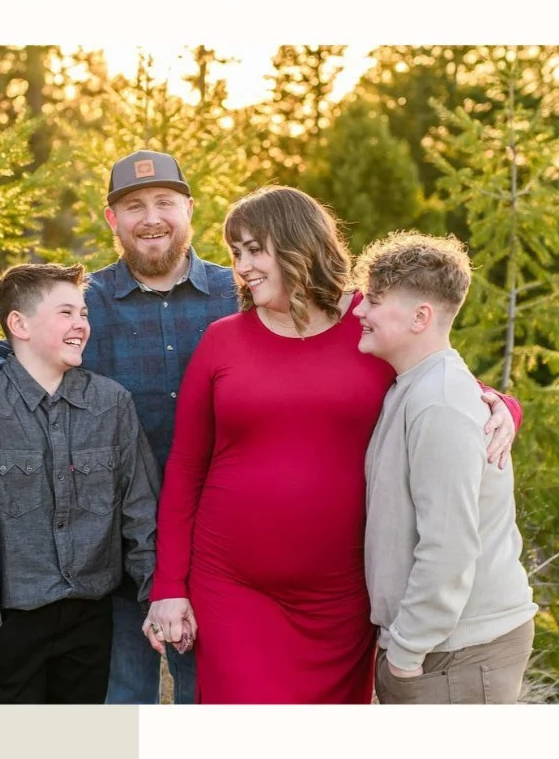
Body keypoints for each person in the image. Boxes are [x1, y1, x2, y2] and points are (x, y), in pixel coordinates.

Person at [143, 188, 523, 704]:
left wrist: (504, 407)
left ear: (297, 244)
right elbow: (186, 467)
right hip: (232, 588)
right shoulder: (221, 340)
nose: (242, 267)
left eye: (255, 250)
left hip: (342, 600)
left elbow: (442, 378)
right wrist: (169, 585)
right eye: (236, 253)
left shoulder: (371, 322)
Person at [0, 151, 239, 704]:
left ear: (189, 209)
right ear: (112, 219)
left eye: (165, 202)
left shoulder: (236, 293)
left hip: (216, 542)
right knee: (119, 702)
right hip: (110, 553)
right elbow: (19, 345)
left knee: (209, 699)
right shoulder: (87, 301)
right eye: (134, 206)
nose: (151, 218)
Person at [0, 263, 160, 705]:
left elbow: (140, 512)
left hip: (90, 622)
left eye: (84, 314)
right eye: (65, 313)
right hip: (6, 624)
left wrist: (153, 599)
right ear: (20, 325)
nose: (81, 324)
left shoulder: (112, 404)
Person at [355, 233, 536, 705]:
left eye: (374, 301)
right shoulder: (414, 386)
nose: (360, 311)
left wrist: (406, 652)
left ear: (421, 317)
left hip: (457, 652)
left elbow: (449, 544)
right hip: (437, 646)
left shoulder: (438, 402)